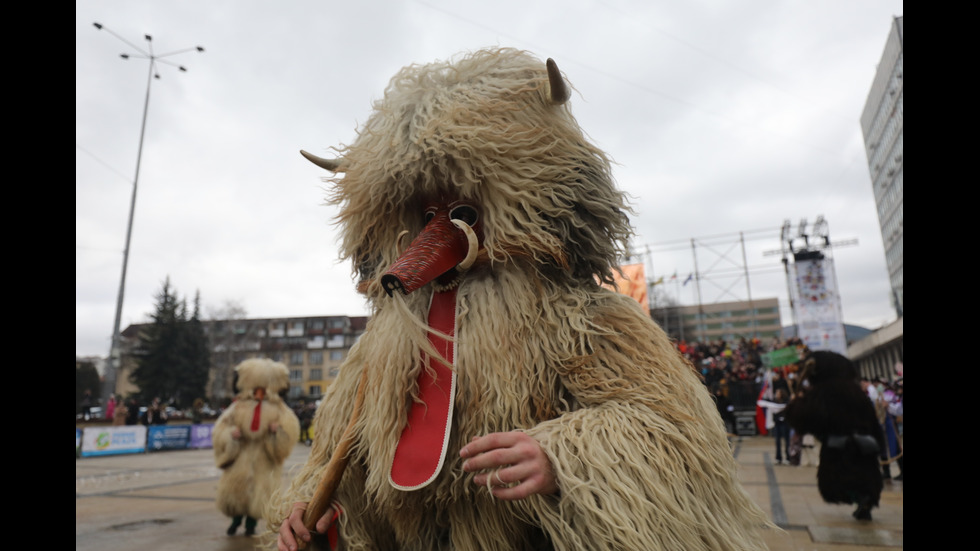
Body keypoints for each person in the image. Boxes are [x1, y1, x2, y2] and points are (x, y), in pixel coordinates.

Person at [273, 48, 773, 551]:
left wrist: (565, 455)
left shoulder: (585, 320)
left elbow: (674, 432)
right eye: (427, 214)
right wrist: (316, 508)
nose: (441, 228)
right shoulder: (379, 347)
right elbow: (341, 458)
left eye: (464, 208)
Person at [785, 351, 884, 521]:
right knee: (865, 477)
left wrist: (795, 405)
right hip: (865, 445)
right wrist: (879, 444)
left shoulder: (822, 393)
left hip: (837, 446)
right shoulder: (857, 392)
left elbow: (803, 418)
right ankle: (865, 499)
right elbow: (872, 420)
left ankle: (860, 499)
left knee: (841, 480)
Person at [213, 359, 299, 537]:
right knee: (236, 493)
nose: (259, 393)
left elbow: (291, 431)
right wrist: (230, 434)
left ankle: (250, 525)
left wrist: (278, 433)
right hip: (241, 457)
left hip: (264, 459)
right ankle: (235, 521)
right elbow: (220, 429)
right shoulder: (238, 407)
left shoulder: (279, 409)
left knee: (259, 496)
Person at [757, 388, 790, 465]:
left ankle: (788, 457)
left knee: (787, 441)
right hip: (777, 423)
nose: (777, 394)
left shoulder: (787, 402)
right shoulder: (774, 402)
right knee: (777, 441)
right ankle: (778, 458)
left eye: (778, 393)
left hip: (785, 423)